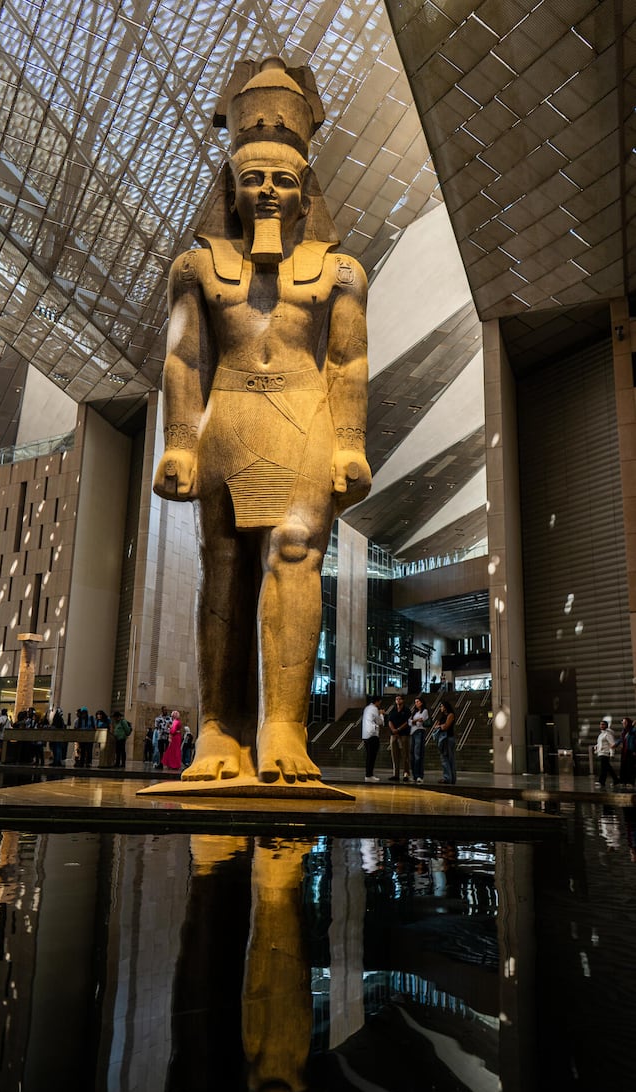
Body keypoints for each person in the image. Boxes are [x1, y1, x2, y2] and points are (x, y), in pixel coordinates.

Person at [152, 58, 370, 784]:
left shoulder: (339, 272)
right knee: (225, 566)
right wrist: (179, 444)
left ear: (305, 193)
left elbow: (346, 364)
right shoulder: (196, 267)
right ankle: (219, 731)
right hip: (229, 415)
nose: (268, 191)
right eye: (253, 178)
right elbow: (183, 360)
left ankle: (283, 729)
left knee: (297, 550)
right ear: (231, 189)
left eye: (282, 179)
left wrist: (350, 443)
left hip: (305, 411)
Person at [387, 694, 411, 782]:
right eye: (396, 699)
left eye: (399, 699)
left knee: (405, 754)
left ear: (403, 700)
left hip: (403, 734)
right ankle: (395, 774)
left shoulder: (406, 710)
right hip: (393, 734)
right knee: (394, 754)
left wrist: (399, 729)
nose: (398, 700)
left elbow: (407, 721)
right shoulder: (393, 710)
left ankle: (406, 773)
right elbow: (389, 721)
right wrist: (393, 729)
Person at [432, 700, 456, 784]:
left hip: (448, 738)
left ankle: (451, 778)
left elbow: (446, 726)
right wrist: (440, 726)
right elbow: (436, 726)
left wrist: (440, 726)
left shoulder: (450, 715)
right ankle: (447, 777)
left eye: (441, 706)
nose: (440, 708)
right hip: (442, 739)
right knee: (444, 758)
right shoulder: (441, 717)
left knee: (450, 758)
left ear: (445, 707)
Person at [361, 696, 384, 782]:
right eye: (379, 703)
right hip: (372, 735)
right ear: (377, 702)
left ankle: (368, 774)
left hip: (365, 735)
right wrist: (381, 714)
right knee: (372, 756)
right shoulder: (374, 709)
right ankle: (369, 775)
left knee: (369, 756)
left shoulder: (366, 708)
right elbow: (379, 722)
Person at [409, 696, 429, 784]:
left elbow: (421, 721)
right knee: (412, 755)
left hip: (419, 732)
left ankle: (419, 775)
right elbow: (409, 722)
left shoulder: (424, 711)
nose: (416, 703)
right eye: (415, 702)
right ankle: (414, 775)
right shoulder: (415, 712)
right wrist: (415, 720)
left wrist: (414, 721)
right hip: (413, 733)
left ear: (421, 702)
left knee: (418, 754)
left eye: (418, 701)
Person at [594, 720, 619, 790]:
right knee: (607, 767)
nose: (601, 726)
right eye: (600, 724)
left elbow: (612, 744)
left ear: (606, 726)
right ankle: (616, 780)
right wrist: (596, 747)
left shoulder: (608, 734)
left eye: (603, 724)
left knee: (604, 768)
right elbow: (600, 743)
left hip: (605, 753)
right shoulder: (601, 734)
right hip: (601, 752)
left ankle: (602, 781)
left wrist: (612, 753)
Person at [619, 717, 636, 787]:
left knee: (630, 767)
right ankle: (623, 781)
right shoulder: (623, 731)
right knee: (623, 766)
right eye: (623, 722)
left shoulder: (634, 730)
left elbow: (631, 733)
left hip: (631, 751)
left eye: (625, 722)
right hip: (624, 751)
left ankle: (630, 782)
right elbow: (621, 739)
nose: (623, 724)